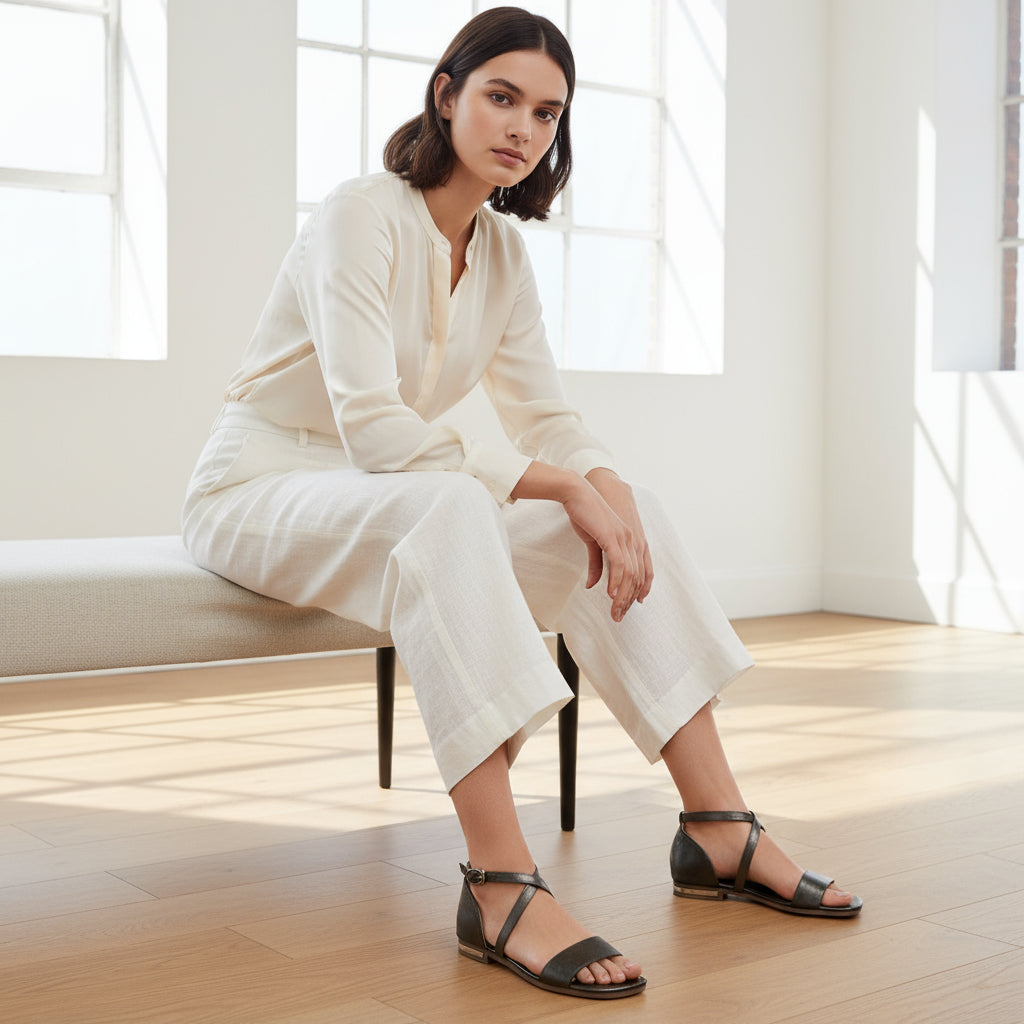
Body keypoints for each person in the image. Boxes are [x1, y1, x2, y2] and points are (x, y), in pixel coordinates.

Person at [182, 6, 861, 1001]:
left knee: (634, 507)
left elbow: (548, 414)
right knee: (457, 507)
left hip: (385, 490)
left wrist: (609, 494)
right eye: (501, 97)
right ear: (446, 95)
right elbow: (372, 426)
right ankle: (499, 884)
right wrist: (561, 487)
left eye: (547, 113)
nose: (522, 128)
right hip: (259, 482)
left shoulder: (500, 253)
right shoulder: (357, 213)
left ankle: (717, 826)